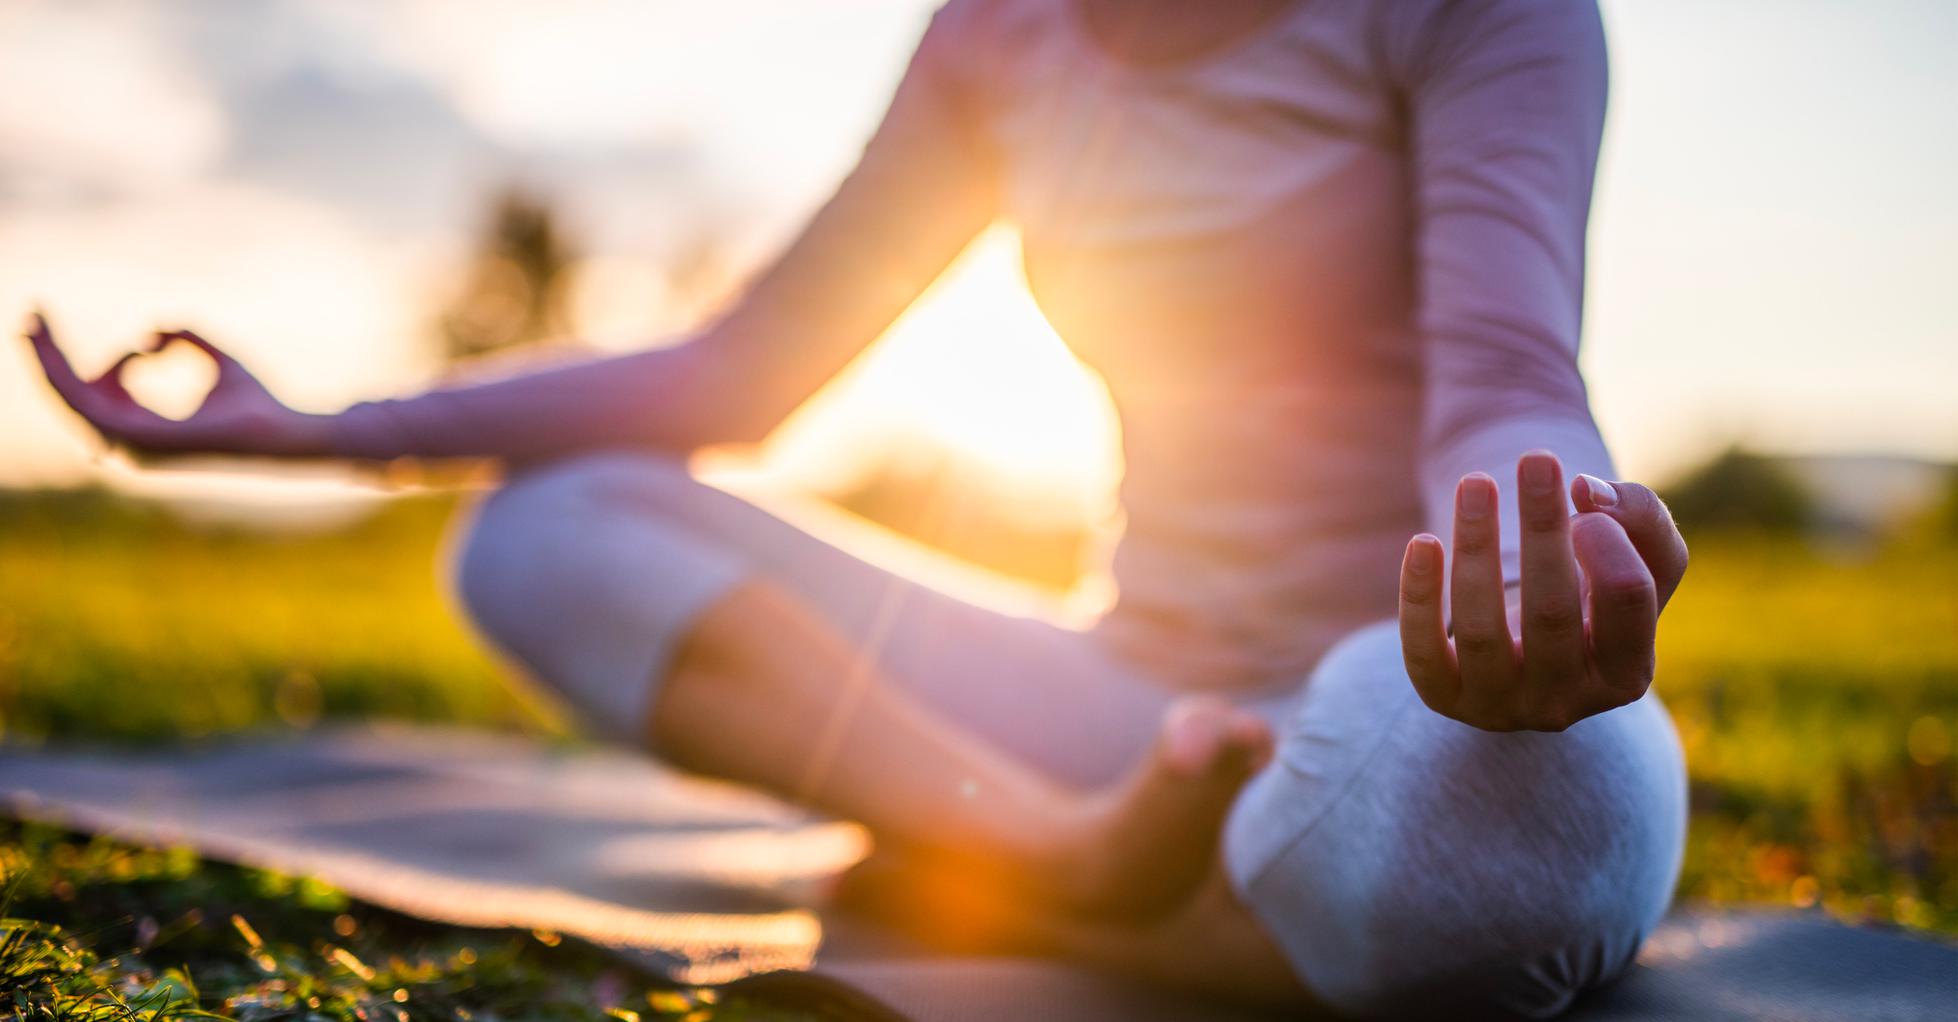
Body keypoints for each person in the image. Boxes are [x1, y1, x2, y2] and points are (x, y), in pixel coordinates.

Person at [25, 0, 1693, 1016]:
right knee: (544, 530)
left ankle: (1026, 868)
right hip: (1121, 707)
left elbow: (1500, 372)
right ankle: (1060, 857)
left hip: (1396, 693)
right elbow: (738, 374)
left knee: (1525, 842)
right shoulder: (1001, 38)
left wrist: (1528, 568)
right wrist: (309, 429)